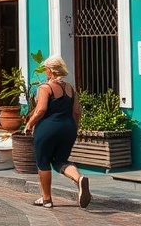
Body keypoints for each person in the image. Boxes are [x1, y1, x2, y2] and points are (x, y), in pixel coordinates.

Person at [24, 55, 91, 209]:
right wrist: (76, 127)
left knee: (43, 162)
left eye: (46, 69)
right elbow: (76, 111)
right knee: (60, 161)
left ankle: (46, 199)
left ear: (50, 70)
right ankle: (79, 178)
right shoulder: (70, 88)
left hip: (48, 128)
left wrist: (30, 123)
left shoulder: (45, 88)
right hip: (68, 128)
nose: (45, 72)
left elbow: (40, 110)